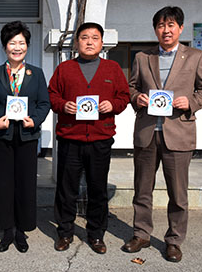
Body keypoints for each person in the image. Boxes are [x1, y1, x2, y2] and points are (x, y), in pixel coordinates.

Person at [124, 6, 202, 262]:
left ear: (180, 28)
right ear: (155, 29)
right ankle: (141, 234)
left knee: (178, 193)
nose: (166, 30)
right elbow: (131, 86)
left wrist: (191, 102)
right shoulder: (143, 57)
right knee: (142, 189)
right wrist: (136, 98)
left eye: (171, 25)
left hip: (178, 133)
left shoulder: (196, 56)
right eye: (161, 26)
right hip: (147, 133)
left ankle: (174, 240)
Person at [48, 22, 130, 254]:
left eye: (95, 37)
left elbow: (124, 97)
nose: (90, 41)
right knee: (67, 189)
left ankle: (96, 234)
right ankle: (65, 232)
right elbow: (52, 96)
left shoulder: (112, 69)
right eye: (84, 37)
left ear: (102, 43)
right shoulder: (65, 69)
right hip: (70, 138)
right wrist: (65, 105)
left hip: (100, 139)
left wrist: (111, 104)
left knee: (97, 189)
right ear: (77, 42)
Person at [0, 21, 50, 253]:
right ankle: (6, 229)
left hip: (27, 136)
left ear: (27, 46)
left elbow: (44, 103)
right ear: (5, 46)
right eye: (12, 43)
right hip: (2, 136)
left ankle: (22, 230)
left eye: (21, 43)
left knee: (25, 184)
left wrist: (36, 119)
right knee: (2, 184)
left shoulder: (37, 73)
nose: (17, 47)